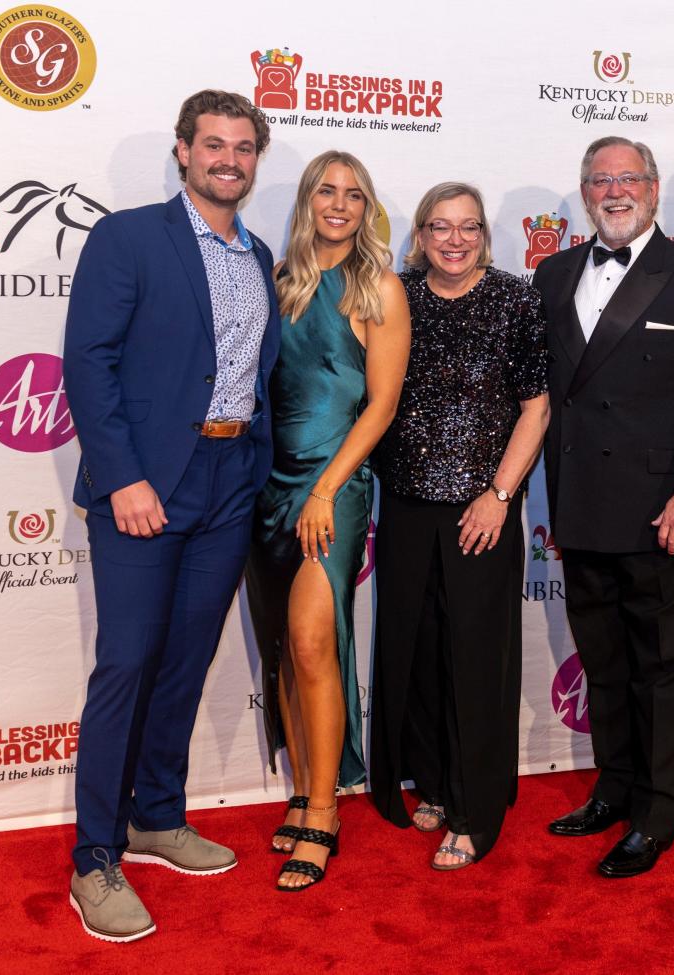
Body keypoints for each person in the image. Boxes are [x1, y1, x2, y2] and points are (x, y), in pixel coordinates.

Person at [62, 90, 280, 941]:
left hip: (230, 480)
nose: (230, 158)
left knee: (186, 661)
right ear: (184, 153)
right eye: (214, 144)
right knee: (127, 664)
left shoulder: (257, 253)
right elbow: (89, 360)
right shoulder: (128, 237)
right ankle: (93, 856)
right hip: (147, 482)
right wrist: (122, 476)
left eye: (244, 146)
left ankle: (156, 813)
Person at [534, 136, 674, 878]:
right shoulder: (553, 273)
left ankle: (658, 811)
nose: (614, 190)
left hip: (666, 514)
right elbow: (554, 401)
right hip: (584, 511)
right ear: (585, 192)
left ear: (654, 190)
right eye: (600, 180)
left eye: (628, 178)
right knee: (607, 662)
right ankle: (615, 787)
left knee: (665, 667)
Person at [369, 182, 549, 870]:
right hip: (408, 503)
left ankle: (475, 810)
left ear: (483, 236)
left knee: (477, 659)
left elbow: (536, 407)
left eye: (468, 227)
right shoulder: (397, 295)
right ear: (419, 235)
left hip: (484, 507)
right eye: (440, 227)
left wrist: (499, 495)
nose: (454, 239)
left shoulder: (514, 298)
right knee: (416, 651)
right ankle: (436, 783)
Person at [245, 151, 410, 891]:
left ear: (366, 207)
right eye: (326, 191)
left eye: (354, 194)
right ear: (308, 201)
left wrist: (325, 488)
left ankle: (324, 807)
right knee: (284, 646)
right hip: (265, 489)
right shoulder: (276, 285)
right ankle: (302, 784)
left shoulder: (378, 287)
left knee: (315, 638)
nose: (338, 205)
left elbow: (381, 405)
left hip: (333, 486)